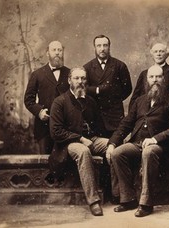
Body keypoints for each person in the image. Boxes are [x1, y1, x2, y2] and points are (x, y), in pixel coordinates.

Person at [106, 65, 169, 217]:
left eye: (158, 77)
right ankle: (128, 199)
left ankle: (146, 203)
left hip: (160, 145)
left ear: (164, 79)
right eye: (152, 77)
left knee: (148, 152)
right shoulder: (140, 100)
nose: (155, 80)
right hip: (137, 143)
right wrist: (112, 143)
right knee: (117, 154)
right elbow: (126, 123)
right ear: (147, 80)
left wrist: (155, 139)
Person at [49, 67, 108, 216]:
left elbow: (99, 126)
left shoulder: (90, 101)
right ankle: (94, 201)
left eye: (83, 78)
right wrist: (80, 138)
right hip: (68, 143)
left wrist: (96, 138)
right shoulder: (60, 102)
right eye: (76, 78)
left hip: (90, 140)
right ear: (69, 80)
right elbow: (56, 132)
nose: (80, 82)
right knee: (83, 151)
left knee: (113, 147)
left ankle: (118, 194)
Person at [24, 41, 70, 154]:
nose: (57, 53)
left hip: (66, 126)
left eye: (59, 50)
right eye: (54, 50)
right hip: (44, 127)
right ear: (47, 53)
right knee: (45, 163)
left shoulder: (70, 73)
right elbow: (28, 99)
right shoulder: (37, 74)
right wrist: (39, 112)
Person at [84, 34, 132, 138]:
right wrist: (97, 90)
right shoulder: (87, 67)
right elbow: (84, 89)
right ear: (95, 48)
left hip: (114, 114)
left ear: (109, 47)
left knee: (115, 146)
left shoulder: (119, 66)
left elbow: (127, 89)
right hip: (96, 113)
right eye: (99, 46)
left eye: (105, 45)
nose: (102, 49)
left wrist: (114, 98)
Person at [129, 42, 169, 110]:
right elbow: (136, 95)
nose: (158, 54)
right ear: (152, 55)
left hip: (165, 110)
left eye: (161, 51)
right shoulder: (144, 73)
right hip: (146, 111)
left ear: (167, 55)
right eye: (155, 52)